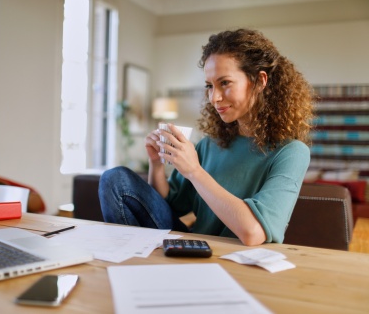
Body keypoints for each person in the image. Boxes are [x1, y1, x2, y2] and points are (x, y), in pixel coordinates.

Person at [99, 28, 314, 246]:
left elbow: (253, 233)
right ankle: (133, 262)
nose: (215, 97)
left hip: (241, 258)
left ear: (259, 81)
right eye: (209, 86)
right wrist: (156, 164)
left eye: (225, 83)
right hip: (196, 247)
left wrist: (194, 171)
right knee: (115, 180)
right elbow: (168, 205)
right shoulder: (209, 145)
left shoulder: (292, 153)